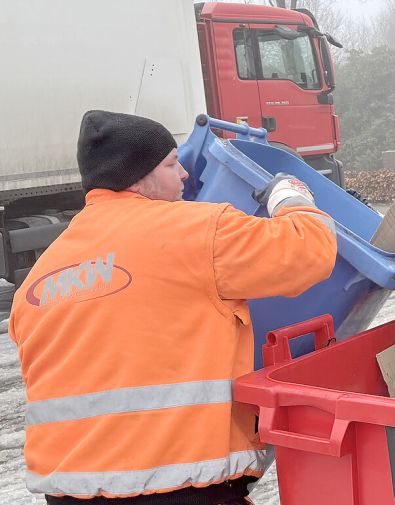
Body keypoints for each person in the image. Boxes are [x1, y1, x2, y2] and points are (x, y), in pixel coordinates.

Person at [9, 111, 338, 505]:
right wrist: (290, 195)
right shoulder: (196, 231)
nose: (183, 174)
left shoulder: (38, 279)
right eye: (171, 163)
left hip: (67, 492)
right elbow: (309, 250)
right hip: (175, 488)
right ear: (138, 175)